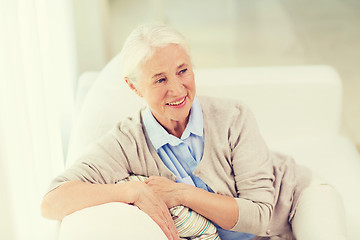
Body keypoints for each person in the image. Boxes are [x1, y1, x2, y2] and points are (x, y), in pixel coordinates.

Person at [41, 23, 347, 240]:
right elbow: (52, 202)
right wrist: (132, 191)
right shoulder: (126, 142)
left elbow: (259, 216)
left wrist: (179, 193)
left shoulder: (233, 116)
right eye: (159, 80)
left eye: (183, 71)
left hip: (297, 199)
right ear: (134, 87)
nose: (177, 89)